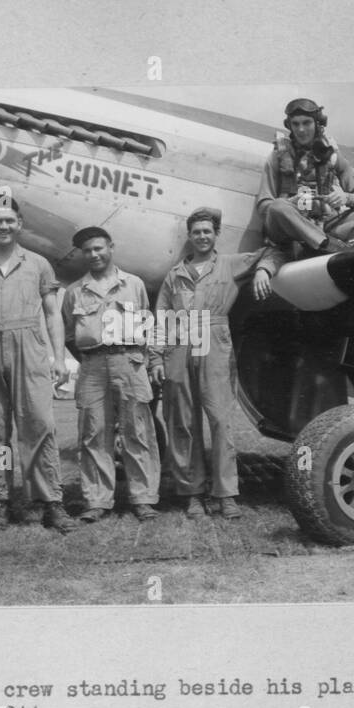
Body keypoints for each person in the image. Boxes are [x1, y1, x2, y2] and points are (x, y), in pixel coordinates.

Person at [151, 207, 286, 519]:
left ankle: (226, 495)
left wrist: (265, 270)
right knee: (183, 423)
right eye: (196, 232)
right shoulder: (175, 276)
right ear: (189, 236)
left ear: (215, 235)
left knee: (221, 421)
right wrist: (156, 357)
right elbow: (161, 319)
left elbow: (275, 251)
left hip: (214, 339)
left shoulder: (230, 264)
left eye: (207, 231)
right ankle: (192, 494)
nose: (201, 236)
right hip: (180, 344)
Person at [0, 192, 73, 534]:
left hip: (28, 348)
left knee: (38, 425)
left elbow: (52, 314)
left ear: (19, 224)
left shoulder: (37, 264)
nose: (3, 226)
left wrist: (59, 358)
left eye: (9, 220)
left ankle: (51, 502)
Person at [61, 227, 161, 524]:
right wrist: (92, 357)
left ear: (111, 247)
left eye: (98, 248)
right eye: (87, 251)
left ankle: (143, 498)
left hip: (129, 361)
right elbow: (69, 335)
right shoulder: (74, 292)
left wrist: (146, 360)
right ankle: (97, 500)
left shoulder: (134, 285)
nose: (93, 255)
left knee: (138, 430)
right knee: (94, 433)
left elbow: (147, 326)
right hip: (92, 366)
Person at [256, 97, 354, 253]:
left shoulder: (333, 156)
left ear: (317, 124)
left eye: (306, 123)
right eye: (295, 124)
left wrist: (346, 197)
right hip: (290, 229)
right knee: (277, 206)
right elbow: (264, 204)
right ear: (289, 126)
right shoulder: (278, 156)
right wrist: (290, 202)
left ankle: (322, 241)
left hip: (325, 225)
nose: (301, 130)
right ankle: (328, 245)